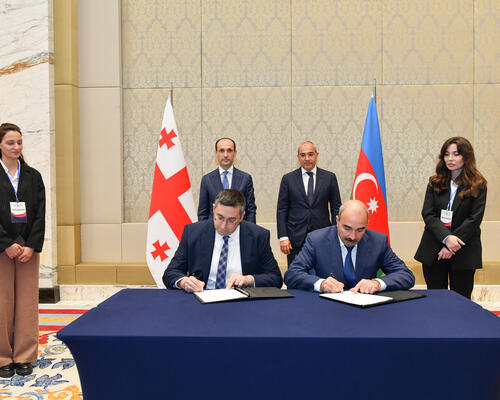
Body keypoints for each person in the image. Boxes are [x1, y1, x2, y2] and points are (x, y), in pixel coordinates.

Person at [284, 200, 414, 293]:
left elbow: (406, 275)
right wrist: (321, 284)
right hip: (328, 309)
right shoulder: (317, 240)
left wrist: (377, 283)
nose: (352, 236)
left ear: (367, 225)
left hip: (366, 311)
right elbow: (292, 274)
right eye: (347, 228)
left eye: (360, 230)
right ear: (337, 221)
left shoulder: (378, 241)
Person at [164, 189, 282, 291]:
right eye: (220, 217)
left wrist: (249, 279)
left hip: (242, 300)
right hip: (203, 297)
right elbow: (171, 272)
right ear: (213, 209)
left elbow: (276, 278)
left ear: (242, 216)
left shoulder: (258, 236)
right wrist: (184, 282)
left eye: (231, 220)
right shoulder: (193, 233)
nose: (224, 226)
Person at [415, 137, 487, 299]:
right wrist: (446, 238)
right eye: (446, 154)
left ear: (466, 157)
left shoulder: (478, 184)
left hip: (464, 250)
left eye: (456, 154)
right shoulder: (435, 182)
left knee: (460, 301)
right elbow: (428, 214)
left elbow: (474, 219)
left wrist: (451, 245)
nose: (450, 158)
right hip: (434, 248)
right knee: (435, 300)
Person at [0, 123, 45, 378]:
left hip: (27, 245)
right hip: (3, 247)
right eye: (10, 142)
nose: (16, 147)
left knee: (27, 302)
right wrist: (5, 243)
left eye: (19, 142)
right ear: (0, 145)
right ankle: (3, 357)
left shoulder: (33, 176)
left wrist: (31, 245)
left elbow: (40, 213)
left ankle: (24, 356)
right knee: (2, 302)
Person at [277, 141, 341, 266]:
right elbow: (282, 209)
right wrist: (283, 237)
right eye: (303, 155)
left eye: (310, 154)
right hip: (295, 238)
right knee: (296, 272)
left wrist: (335, 234)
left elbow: (336, 208)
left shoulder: (329, 177)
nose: (307, 158)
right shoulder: (288, 179)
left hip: (323, 235)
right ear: (298, 157)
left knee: (322, 272)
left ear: (317, 155)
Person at [198, 138, 257, 223]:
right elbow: (202, 213)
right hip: (214, 229)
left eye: (229, 151)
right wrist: (204, 230)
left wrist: (250, 230)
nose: (225, 155)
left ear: (235, 153)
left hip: (239, 228)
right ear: (216, 153)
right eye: (221, 151)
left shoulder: (246, 179)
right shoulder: (207, 180)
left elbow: (251, 210)